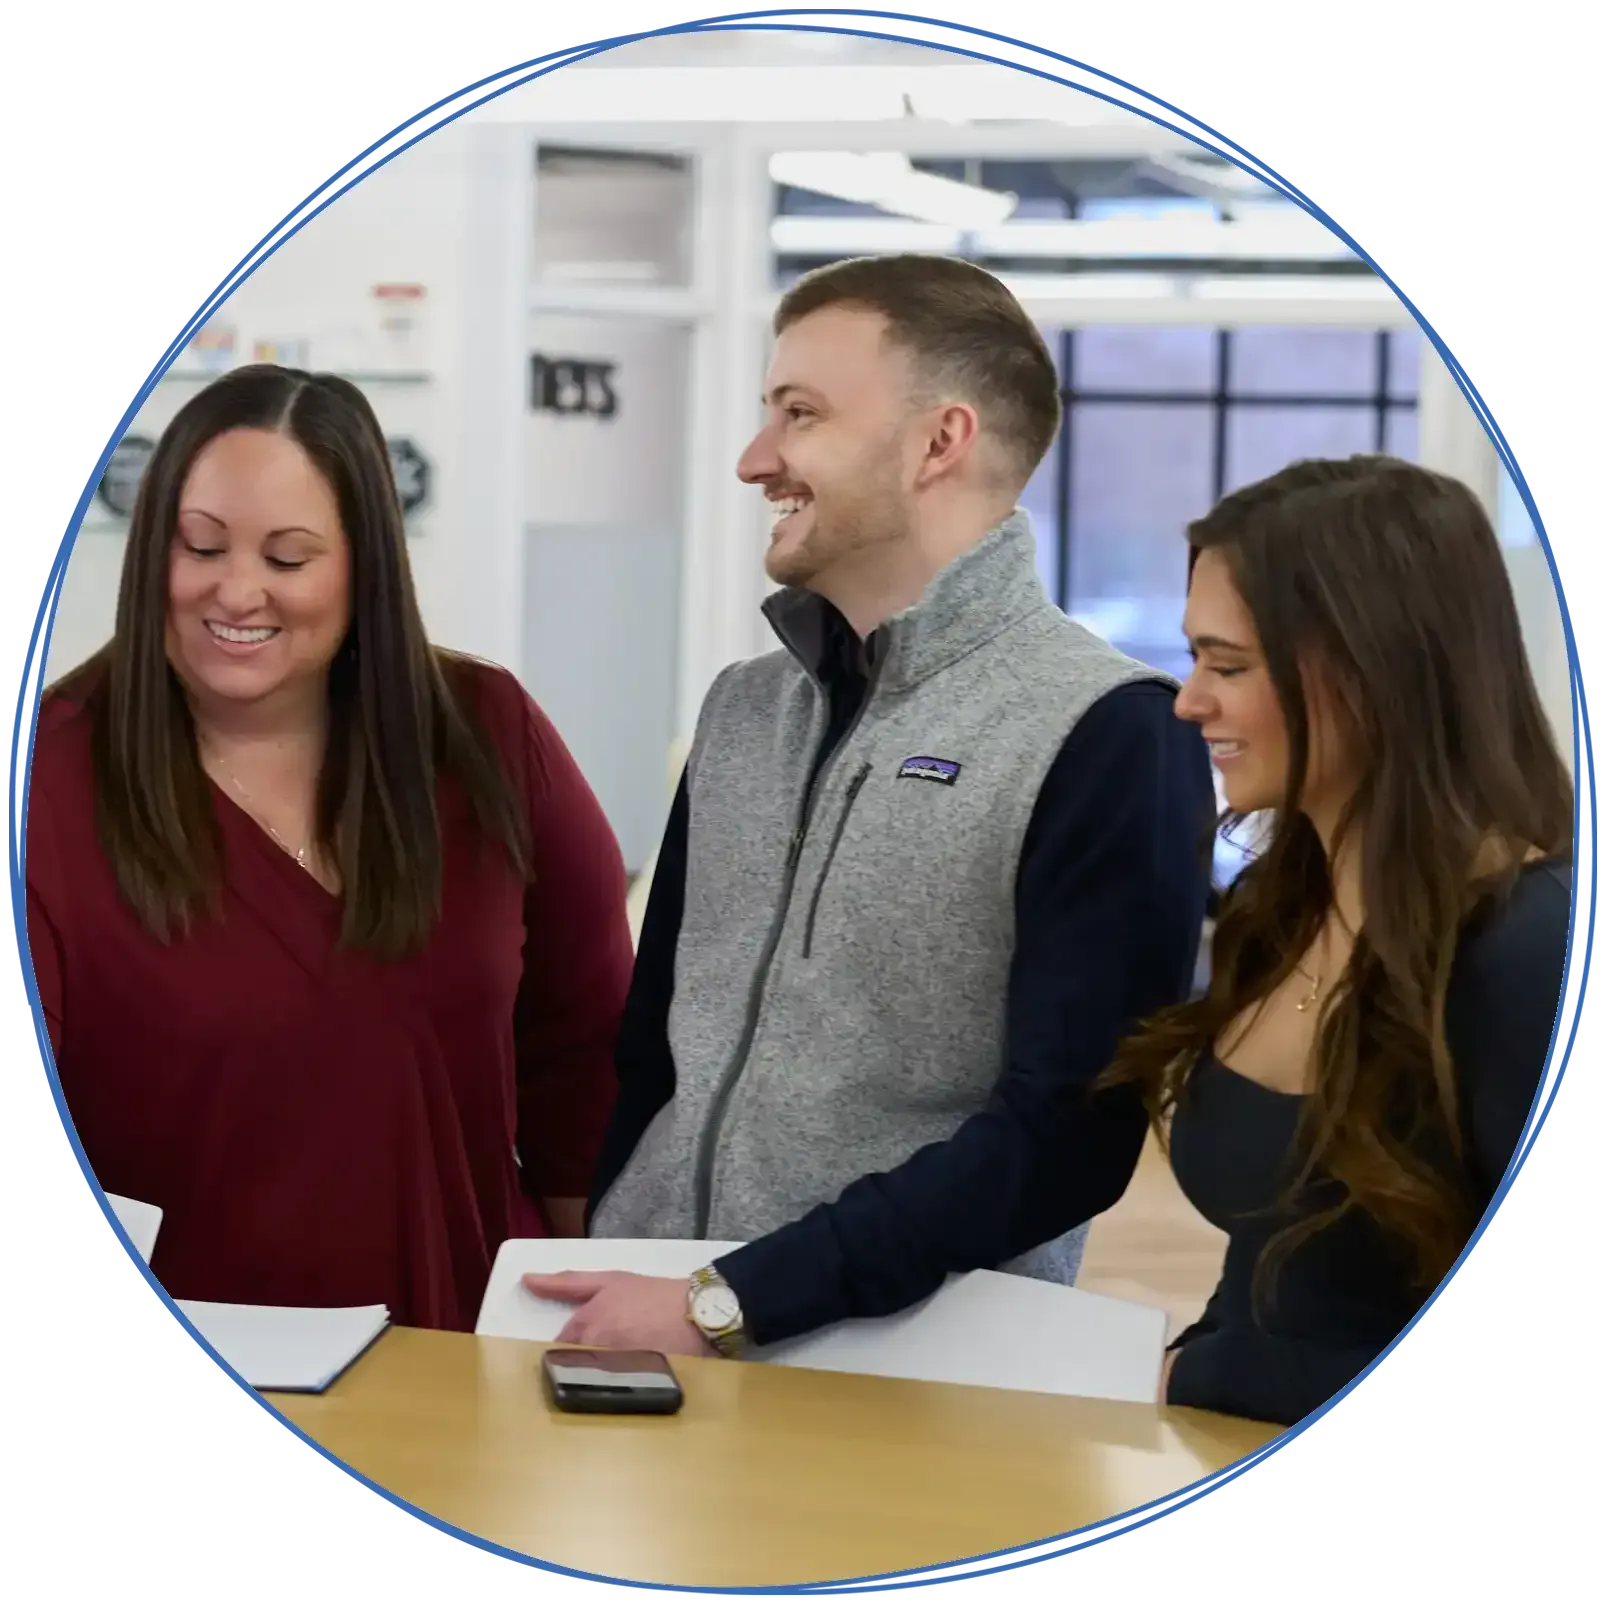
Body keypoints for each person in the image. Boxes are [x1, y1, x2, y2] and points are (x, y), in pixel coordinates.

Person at [523, 253, 1217, 1357]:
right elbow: (655, 1046)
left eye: (798, 414)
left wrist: (738, 1297)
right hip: (638, 1323)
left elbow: (1067, 1137)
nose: (756, 460)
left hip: (905, 1362)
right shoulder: (745, 709)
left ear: (939, 441)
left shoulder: (1108, 730)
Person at [26, 364, 634, 1331]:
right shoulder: (47, 784)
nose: (237, 591)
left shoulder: (484, 737)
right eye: (201, 546)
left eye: (288, 557)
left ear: (363, 565)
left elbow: (585, 1055)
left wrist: (605, 1310)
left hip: (468, 1353)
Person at [1103, 455, 1572, 1426]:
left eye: (1226, 665)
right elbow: (1269, 1277)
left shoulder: (1540, 949)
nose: (1188, 701)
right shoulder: (1273, 916)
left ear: (1370, 671)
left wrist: (1204, 1378)